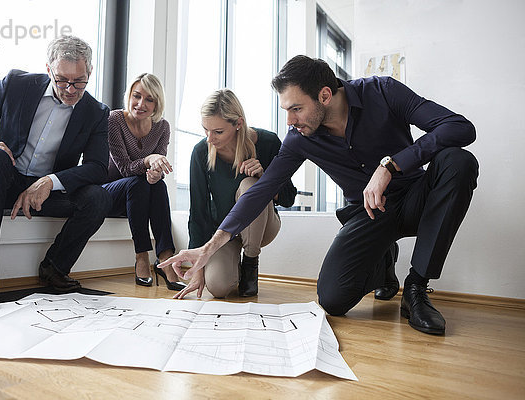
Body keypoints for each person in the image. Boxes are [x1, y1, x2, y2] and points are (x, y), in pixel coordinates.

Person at [160, 55, 479, 335]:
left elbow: (459, 128)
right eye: (286, 110)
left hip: (415, 199)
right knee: (333, 300)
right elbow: (261, 193)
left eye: (296, 109)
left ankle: (417, 287)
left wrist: (391, 165)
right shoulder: (299, 138)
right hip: (369, 212)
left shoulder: (382, 92)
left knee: (458, 161)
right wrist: (208, 248)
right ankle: (383, 261)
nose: (290, 120)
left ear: (325, 95)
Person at [0, 35, 112, 311]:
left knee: (98, 197)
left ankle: (55, 268)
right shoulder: (16, 84)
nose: (71, 89)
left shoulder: (96, 112)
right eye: (62, 80)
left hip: (45, 192)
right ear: (49, 69)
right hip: (3, 181)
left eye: (79, 80)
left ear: (90, 72)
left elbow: (97, 167)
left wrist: (50, 181)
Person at [174, 89, 296, 300]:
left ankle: (250, 263)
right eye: (205, 130)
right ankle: (233, 269)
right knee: (218, 287)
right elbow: (198, 212)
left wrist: (265, 177)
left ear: (238, 123)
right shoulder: (201, 152)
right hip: (223, 233)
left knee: (250, 186)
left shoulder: (268, 143)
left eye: (218, 132)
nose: (210, 139)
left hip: (263, 226)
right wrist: (198, 269)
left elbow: (288, 198)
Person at [102, 73, 184, 291]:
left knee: (157, 184)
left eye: (149, 99)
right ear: (129, 95)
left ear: (157, 103)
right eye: (136, 96)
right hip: (110, 194)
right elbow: (125, 169)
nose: (140, 104)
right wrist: (149, 160)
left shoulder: (162, 127)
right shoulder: (115, 120)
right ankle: (141, 256)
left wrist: (156, 173)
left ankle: (166, 259)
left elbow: (158, 168)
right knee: (137, 182)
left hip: (140, 197)